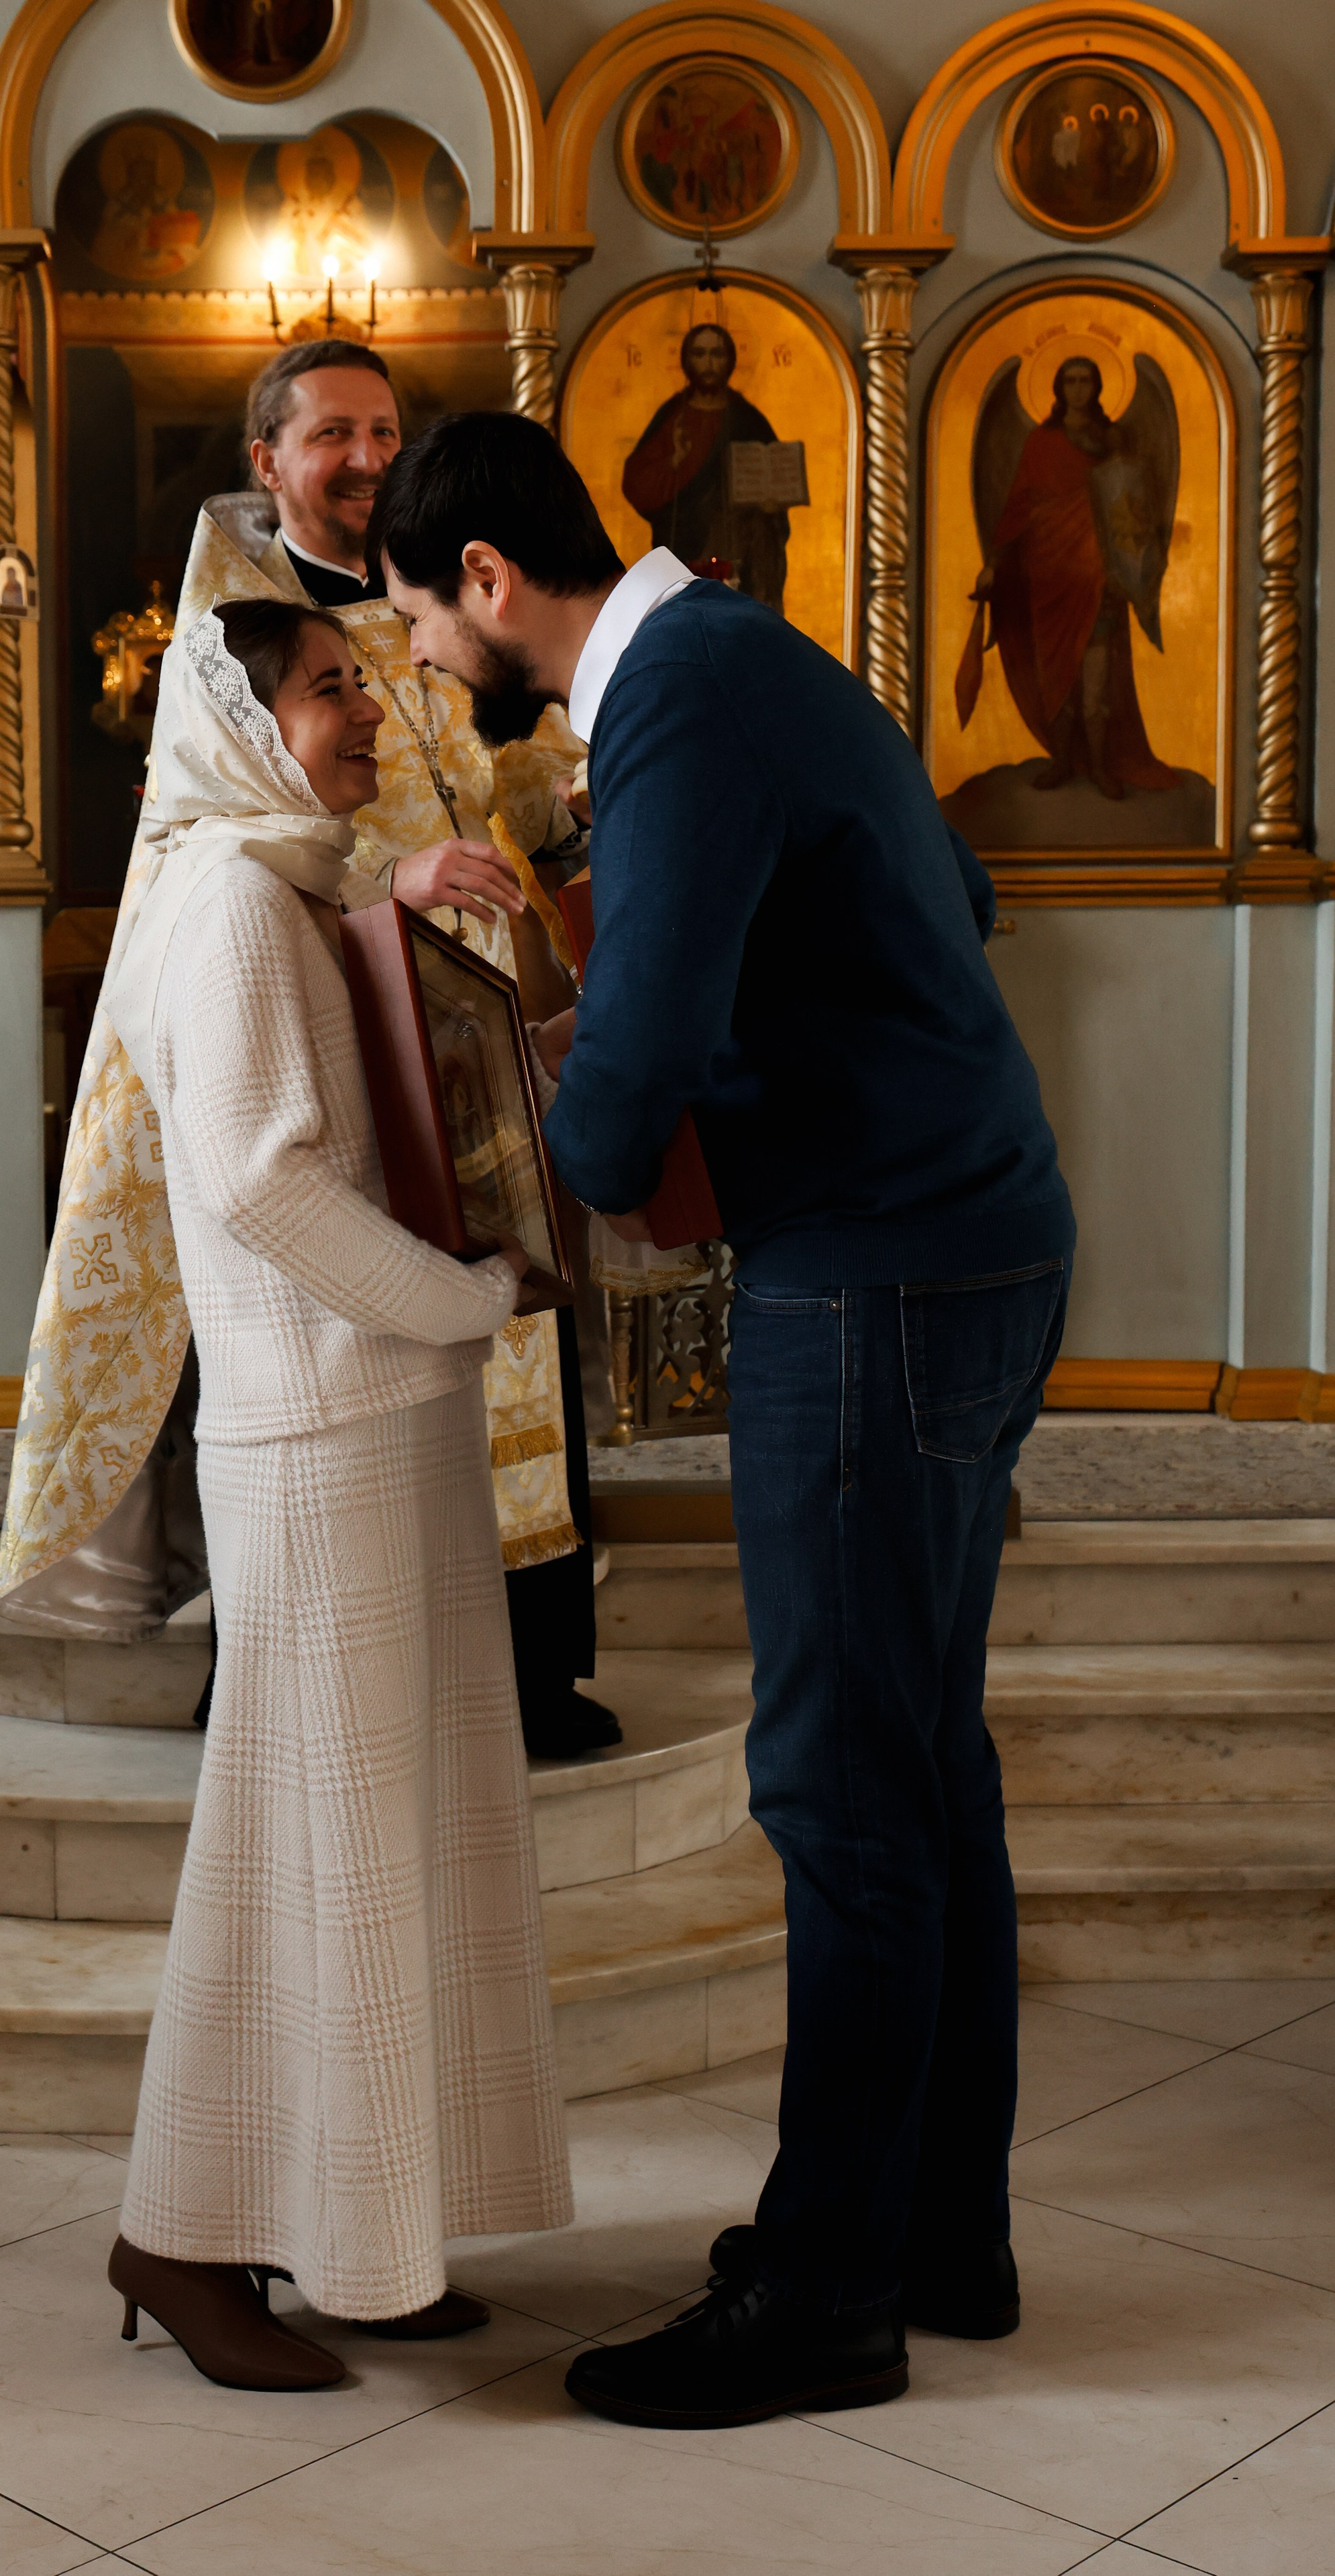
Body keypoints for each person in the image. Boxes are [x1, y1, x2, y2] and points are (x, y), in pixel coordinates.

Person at [371, 413, 1073, 2431]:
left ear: (490, 580)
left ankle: (830, 2293)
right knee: (921, 1761)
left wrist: (541, 1095)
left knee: (840, 1785)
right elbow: (952, 886)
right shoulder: (751, 648)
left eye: (421, 617)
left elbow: (623, 1099)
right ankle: (939, 2231)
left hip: (869, 1271)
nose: (422, 658)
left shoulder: (671, 692)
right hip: (972, 1239)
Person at [0, 339, 617, 1766]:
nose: (365, 455)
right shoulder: (228, 639)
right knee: (324, 1330)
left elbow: (497, 772)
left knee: (510, 1314)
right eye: (332, 432)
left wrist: (560, 798)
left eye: (386, 429)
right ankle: (272, 1669)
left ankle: (524, 1675)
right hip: (316, 1031)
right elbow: (196, 856)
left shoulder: (451, 588)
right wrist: (369, 894)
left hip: (475, 1014)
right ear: (265, 458)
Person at [99, 594, 570, 2387]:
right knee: (297, 1849)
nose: (364, 719)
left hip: (383, 1418)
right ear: (239, 718)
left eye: (364, 689)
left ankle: (362, 2228)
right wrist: (468, 1302)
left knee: (384, 1851)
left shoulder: (279, 890)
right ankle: (187, 2229)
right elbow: (268, 1190)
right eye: (327, 695)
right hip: (320, 1434)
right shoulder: (225, 901)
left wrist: (394, 919)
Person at [973, 354, 1178, 800]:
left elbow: (1130, 503)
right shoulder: (1039, 444)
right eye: (1071, 381)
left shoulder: (1112, 439)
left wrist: (1133, 563)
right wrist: (995, 561)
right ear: (1058, 388)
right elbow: (1018, 506)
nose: (1079, 389)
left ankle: (1102, 766)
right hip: (1047, 572)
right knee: (1055, 675)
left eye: (1087, 380)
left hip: (1097, 573)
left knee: (1096, 680)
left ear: (1100, 386)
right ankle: (1063, 761)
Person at [621, 322, 790, 609]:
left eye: (717, 354)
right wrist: (675, 460)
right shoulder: (673, 417)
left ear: (731, 361)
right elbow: (637, 485)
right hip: (685, 549)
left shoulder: (749, 419)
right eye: (700, 354)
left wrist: (773, 507)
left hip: (743, 556)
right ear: (687, 360)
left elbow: (776, 483)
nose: (709, 363)